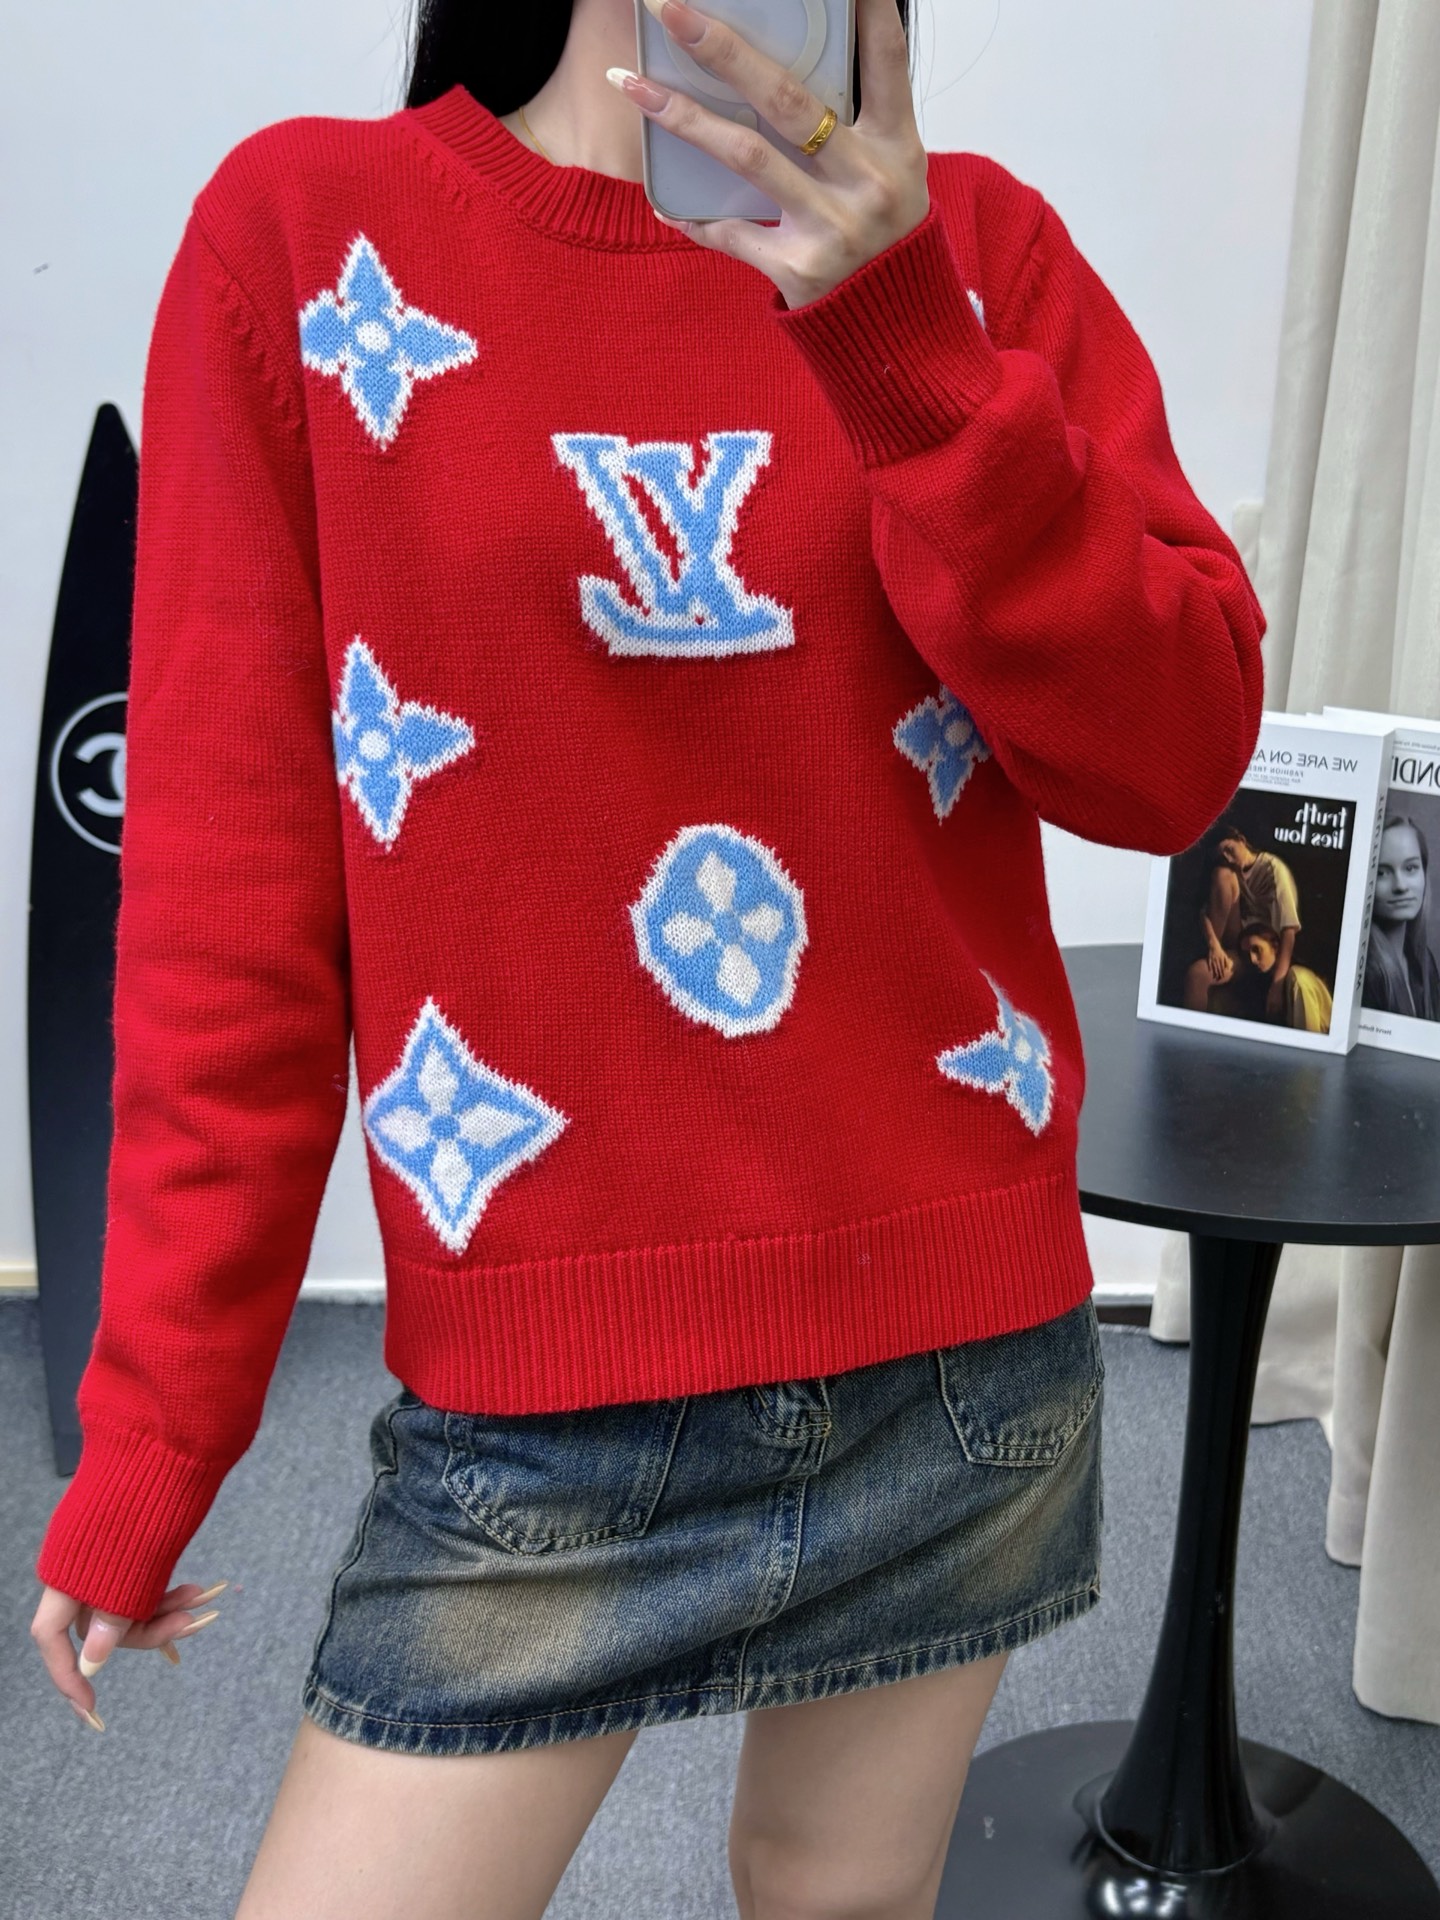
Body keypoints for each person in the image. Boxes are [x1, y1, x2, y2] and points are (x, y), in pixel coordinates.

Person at [28, 2, 1266, 1915]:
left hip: (955, 1369)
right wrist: (157, 1431)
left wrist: (908, 349)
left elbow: (1175, 758)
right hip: (533, 1413)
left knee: (830, 1894)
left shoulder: (978, 258)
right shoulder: (308, 243)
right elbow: (230, 916)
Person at [1183, 824, 1301, 1021]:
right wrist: (1214, 945)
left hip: (1265, 950)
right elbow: (1203, 912)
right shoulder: (1231, 872)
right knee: (1221, 874)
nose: (1228, 858)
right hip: (1240, 944)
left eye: (1230, 850)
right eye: (1222, 856)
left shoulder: (1273, 869)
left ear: (1242, 841)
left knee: (1197, 973)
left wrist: (1277, 985)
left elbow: (1289, 931)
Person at [1362, 813, 1440, 1020]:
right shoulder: (1367, 973)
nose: (1401, 886)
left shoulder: (1424, 962)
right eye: (1381, 873)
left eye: (1410, 868)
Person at [1236, 919, 1333, 1032]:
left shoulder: (1298, 978)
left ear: (1275, 946)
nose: (1252, 959)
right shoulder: (1258, 986)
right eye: (1246, 955)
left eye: (1256, 950)